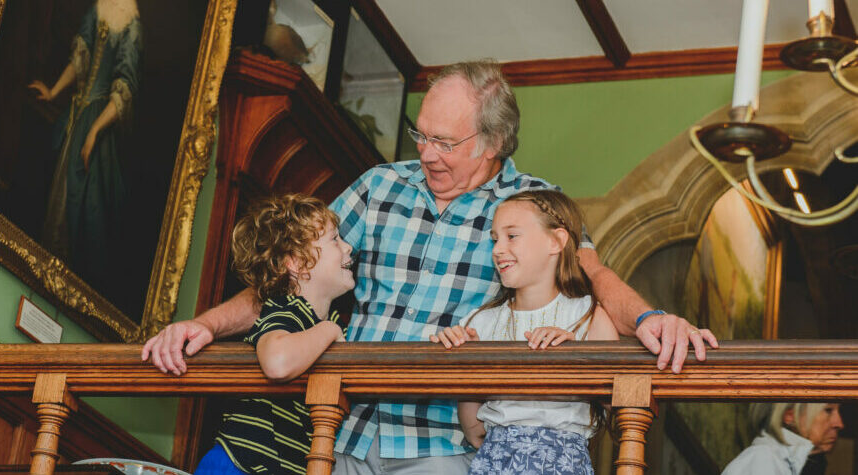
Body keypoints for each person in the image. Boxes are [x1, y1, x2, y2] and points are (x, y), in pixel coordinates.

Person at [143, 60, 718, 473]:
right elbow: (288, 272)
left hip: (442, 446)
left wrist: (650, 320)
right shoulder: (378, 185)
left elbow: (596, 278)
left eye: (445, 142)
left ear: (492, 143)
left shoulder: (532, 207)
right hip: (336, 429)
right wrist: (207, 325)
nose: (425, 151)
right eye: (421, 134)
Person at [431, 189, 618, 475]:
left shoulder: (587, 318)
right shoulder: (480, 322)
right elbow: (474, 430)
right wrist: (466, 361)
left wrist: (577, 357)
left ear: (556, 241)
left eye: (512, 236)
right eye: (494, 239)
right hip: (495, 461)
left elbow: (618, 409)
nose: (497, 249)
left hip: (562, 463)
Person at [193, 194, 353, 475]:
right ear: (298, 263)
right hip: (240, 465)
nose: (348, 247)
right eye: (335, 240)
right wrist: (328, 330)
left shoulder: (336, 323)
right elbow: (277, 361)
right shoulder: (285, 308)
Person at [29, 0, 141, 292]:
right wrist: (53, 92)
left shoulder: (132, 25)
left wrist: (93, 131)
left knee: (86, 209)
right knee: (57, 200)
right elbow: (80, 60)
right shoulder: (98, 9)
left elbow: (123, 92)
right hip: (77, 118)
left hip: (97, 127)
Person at [721, 402, 844, 475]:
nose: (839, 423)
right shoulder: (763, 460)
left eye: (838, 411)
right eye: (828, 410)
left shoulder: (793, 465)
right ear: (789, 416)